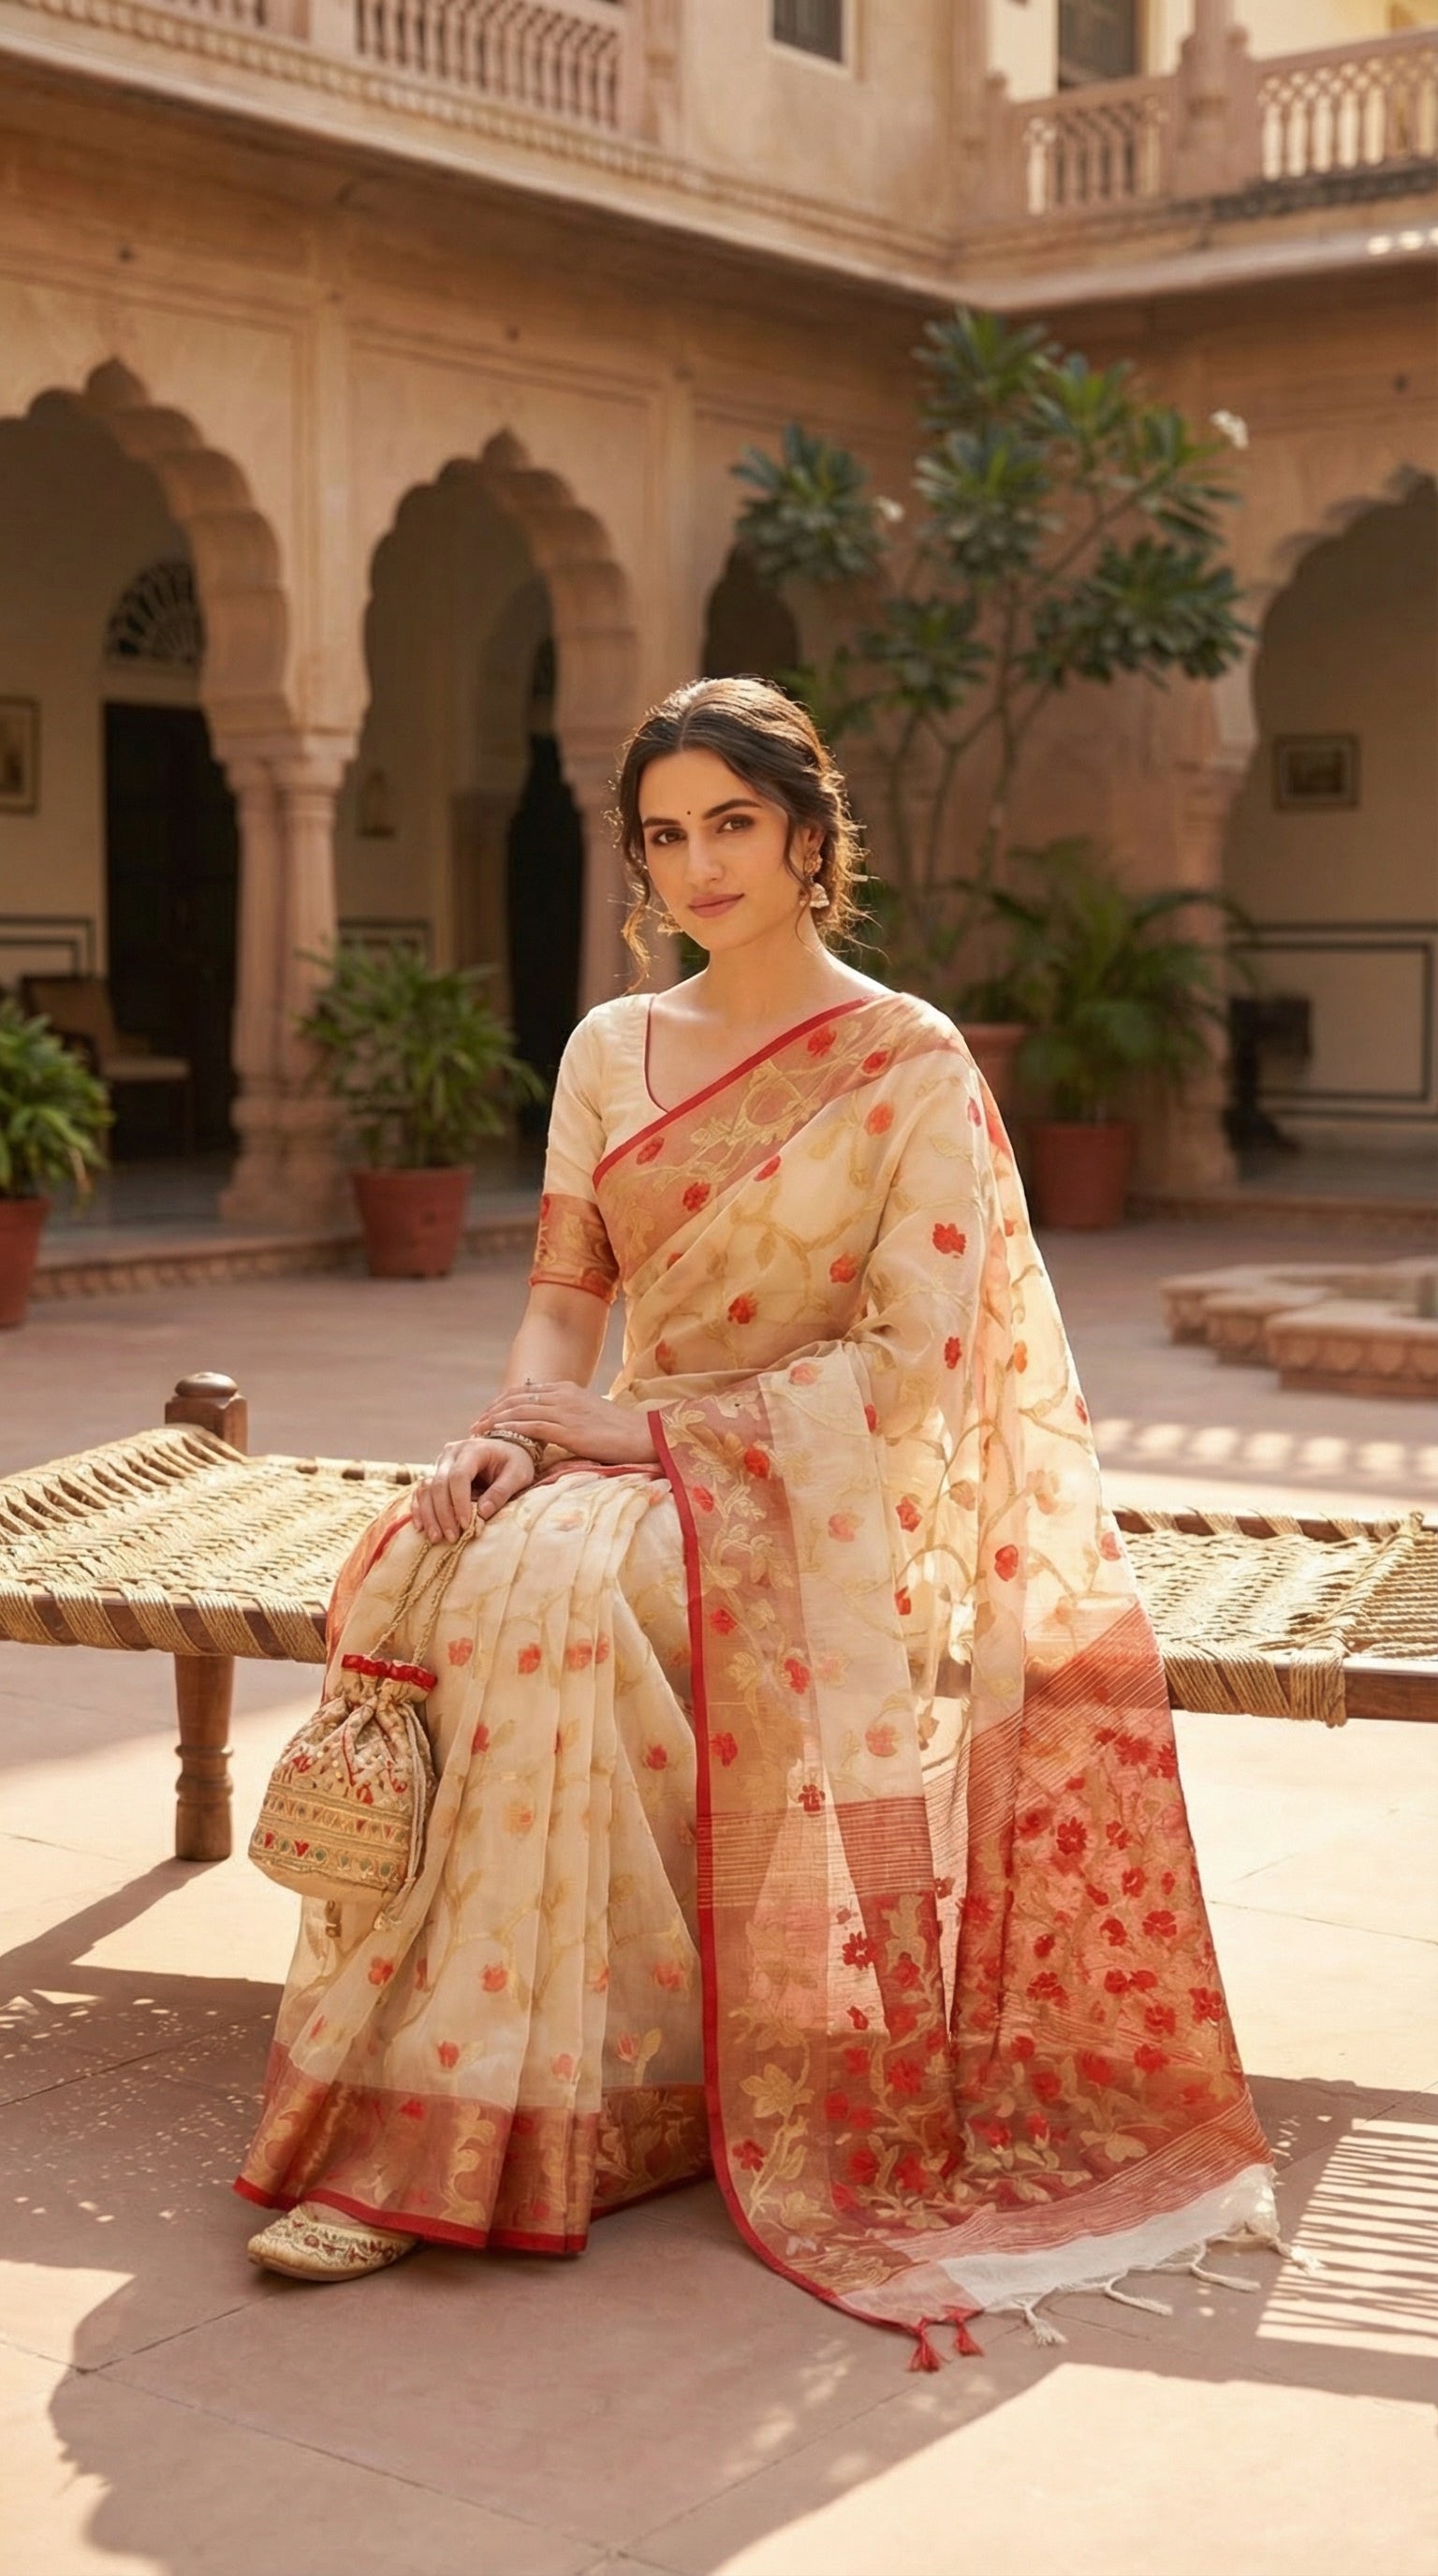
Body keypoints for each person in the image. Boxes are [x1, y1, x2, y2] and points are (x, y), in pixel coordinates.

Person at [240, 677, 1276, 2354]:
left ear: (809, 838)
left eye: (735, 824)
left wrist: (648, 1443)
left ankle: (465, 2127)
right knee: (458, 1553)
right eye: (667, 834)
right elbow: (564, 1300)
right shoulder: (608, 1047)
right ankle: (464, 2096)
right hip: (623, 1454)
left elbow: (919, 1371)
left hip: (821, 1510)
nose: (702, 864)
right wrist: (515, 1430)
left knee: (554, 1600)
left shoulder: (906, 1060)